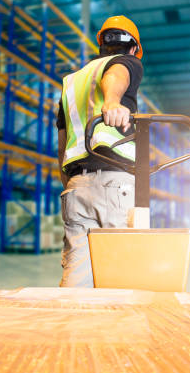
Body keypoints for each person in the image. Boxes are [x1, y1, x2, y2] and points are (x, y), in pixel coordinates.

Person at [56, 15, 144, 287]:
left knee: (77, 276)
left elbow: (62, 140)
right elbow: (117, 76)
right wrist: (113, 101)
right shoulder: (128, 63)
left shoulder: (72, 81)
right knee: (122, 275)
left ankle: (73, 328)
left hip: (76, 184)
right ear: (133, 48)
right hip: (115, 182)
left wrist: (69, 183)